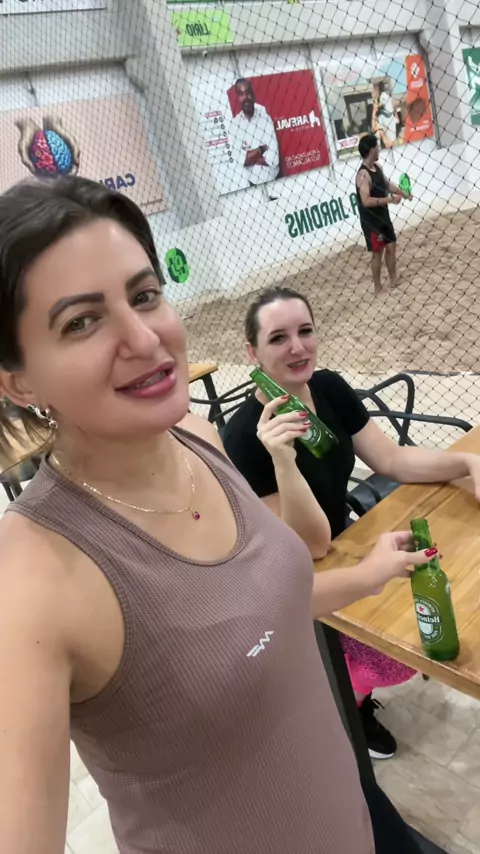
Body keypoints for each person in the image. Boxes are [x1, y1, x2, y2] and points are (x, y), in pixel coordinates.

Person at [0, 177, 435, 854]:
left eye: (145, 295)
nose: (143, 337)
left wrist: (370, 574)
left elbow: (255, 610)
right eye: (81, 321)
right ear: (19, 380)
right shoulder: (31, 578)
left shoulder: (197, 438)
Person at [223, 285, 480, 760]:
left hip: (348, 540)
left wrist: (467, 464)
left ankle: (345, 685)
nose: (297, 347)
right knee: (397, 651)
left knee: (438, 595)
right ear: (252, 353)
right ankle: (348, 704)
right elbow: (312, 546)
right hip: (301, 575)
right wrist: (283, 461)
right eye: (278, 338)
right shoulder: (243, 437)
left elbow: (391, 459)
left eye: (305, 331)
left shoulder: (329, 388)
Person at [355, 133, 412, 295]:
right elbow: (366, 201)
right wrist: (390, 200)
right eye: (377, 147)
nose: (379, 149)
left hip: (383, 216)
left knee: (391, 246)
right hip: (372, 221)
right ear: (372, 149)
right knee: (377, 252)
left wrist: (403, 193)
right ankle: (377, 287)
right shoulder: (362, 175)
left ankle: (393, 279)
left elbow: (386, 184)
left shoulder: (377, 167)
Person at [230, 78, 280, 186]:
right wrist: (261, 149)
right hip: (252, 184)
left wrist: (250, 157)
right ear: (237, 98)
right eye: (241, 94)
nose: (245, 97)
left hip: (274, 180)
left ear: (253, 95)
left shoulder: (265, 118)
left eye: (248, 92)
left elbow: (274, 159)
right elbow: (239, 160)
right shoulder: (235, 124)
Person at [371, 82, 399, 149]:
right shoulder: (386, 95)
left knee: (391, 142)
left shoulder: (383, 96)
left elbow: (380, 104)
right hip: (388, 116)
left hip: (388, 117)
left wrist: (376, 106)